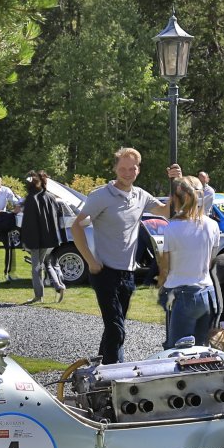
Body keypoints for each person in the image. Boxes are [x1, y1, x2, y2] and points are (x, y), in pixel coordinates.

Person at [71, 147, 168, 364]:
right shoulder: (100, 196)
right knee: (116, 330)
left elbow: (167, 211)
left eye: (132, 169)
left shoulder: (141, 196)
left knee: (114, 328)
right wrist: (91, 261)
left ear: (138, 169)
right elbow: (77, 226)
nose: (127, 173)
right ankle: (113, 374)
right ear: (115, 168)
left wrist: (176, 181)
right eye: (123, 168)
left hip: (128, 274)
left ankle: (100, 369)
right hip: (104, 272)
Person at [158, 175, 220, 348]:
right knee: (202, 350)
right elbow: (211, 261)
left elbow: (166, 267)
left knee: (177, 349)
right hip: (207, 293)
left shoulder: (171, 228)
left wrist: (161, 284)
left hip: (182, 293)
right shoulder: (212, 225)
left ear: (174, 199)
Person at [17, 170, 70, 304]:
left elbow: (28, 222)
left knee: (36, 268)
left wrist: (25, 240)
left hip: (35, 239)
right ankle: (58, 285)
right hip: (49, 238)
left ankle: (38, 296)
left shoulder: (31, 198)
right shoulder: (51, 197)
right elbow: (57, 219)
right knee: (46, 264)